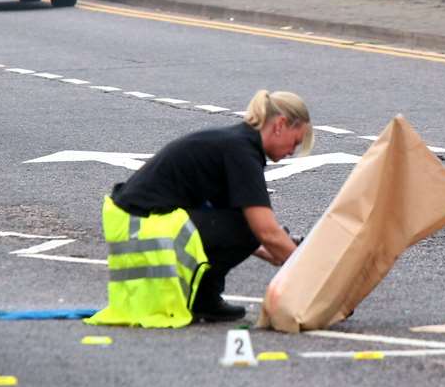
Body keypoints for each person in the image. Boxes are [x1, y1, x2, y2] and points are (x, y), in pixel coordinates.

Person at [91, 90, 312, 326]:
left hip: (133, 222)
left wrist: (275, 249)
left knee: (245, 225)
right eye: (296, 142)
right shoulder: (242, 152)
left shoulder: (235, 143)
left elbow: (234, 218)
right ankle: (203, 299)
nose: (292, 151)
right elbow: (265, 231)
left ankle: (204, 298)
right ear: (279, 125)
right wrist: (311, 278)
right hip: (142, 226)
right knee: (248, 228)